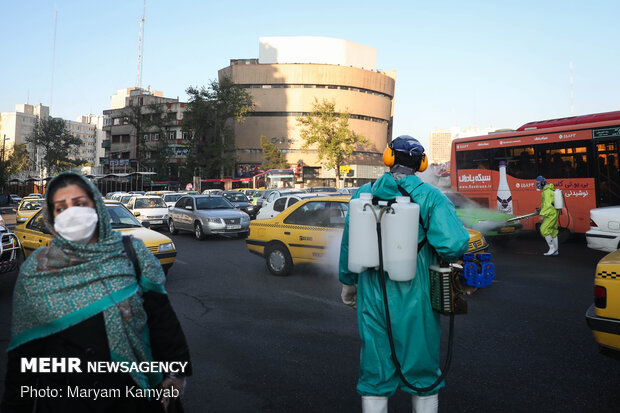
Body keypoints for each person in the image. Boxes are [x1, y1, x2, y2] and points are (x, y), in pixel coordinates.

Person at [2, 172, 192, 412]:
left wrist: (175, 372)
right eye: (61, 208)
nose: (72, 213)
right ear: (51, 217)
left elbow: (162, 319)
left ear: (97, 207)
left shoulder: (132, 253)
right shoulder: (37, 271)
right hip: (64, 399)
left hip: (132, 396)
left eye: (80, 204)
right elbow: (23, 355)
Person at [338, 136, 470, 413]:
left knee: (375, 366)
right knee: (421, 369)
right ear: (422, 163)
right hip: (416, 296)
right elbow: (453, 244)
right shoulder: (431, 197)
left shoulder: (362, 193)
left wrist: (349, 284)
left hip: (372, 294)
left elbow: (349, 245)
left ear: (388, 157)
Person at [536, 175, 559, 256]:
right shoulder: (548, 190)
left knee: (544, 229)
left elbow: (548, 205)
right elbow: (546, 203)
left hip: (550, 213)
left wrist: (542, 215)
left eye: (538, 183)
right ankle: (556, 250)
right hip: (553, 212)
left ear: (542, 182)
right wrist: (540, 207)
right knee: (553, 231)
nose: (537, 185)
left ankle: (552, 248)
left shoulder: (547, 191)